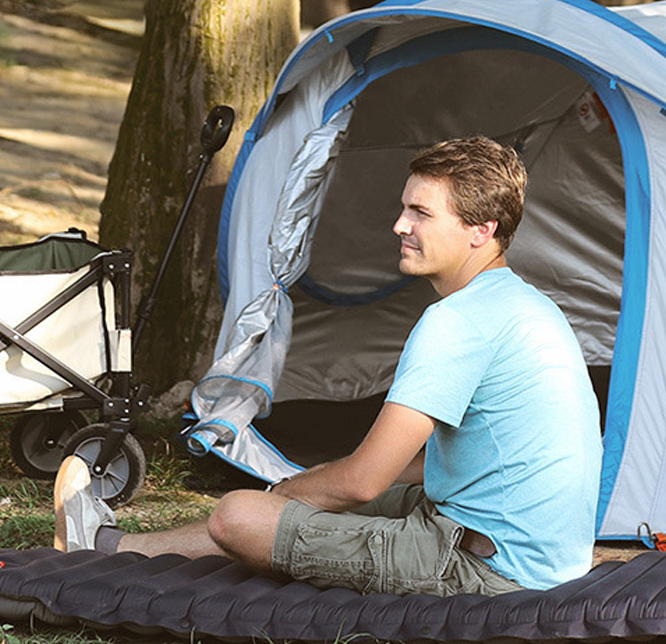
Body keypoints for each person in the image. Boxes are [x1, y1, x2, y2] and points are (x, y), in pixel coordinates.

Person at [55, 136, 602, 595]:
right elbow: (425, 465)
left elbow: (362, 482)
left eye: (421, 213)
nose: (399, 225)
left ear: (481, 229)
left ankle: (115, 545)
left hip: (489, 569)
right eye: (404, 208)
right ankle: (110, 547)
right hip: (538, 552)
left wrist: (288, 495)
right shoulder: (525, 303)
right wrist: (306, 490)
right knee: (299, 499)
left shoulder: (458, 322)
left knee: (238, 515)